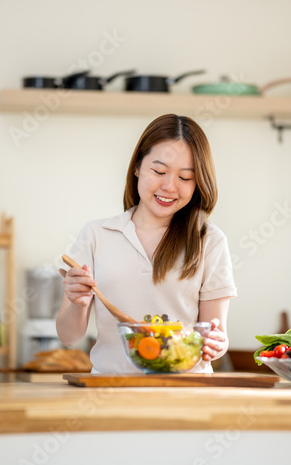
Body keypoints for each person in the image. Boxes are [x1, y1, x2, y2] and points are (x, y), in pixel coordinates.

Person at [56, 114, 237, 373]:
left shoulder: (209, 240)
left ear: (198, 183)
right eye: (159, 171)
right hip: (110, 393)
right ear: (137, 167)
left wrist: (216, 344)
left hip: (187, 394)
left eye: (185, 178)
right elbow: (68, 337)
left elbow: (216, 335)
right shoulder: (97, 234)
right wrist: (78, 304)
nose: (169, 186)